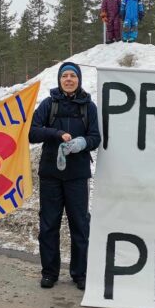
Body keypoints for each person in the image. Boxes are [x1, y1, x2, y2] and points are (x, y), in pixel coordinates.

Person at [29, 61, 101, 290]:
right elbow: (32, 132)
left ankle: (80, 273)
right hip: (51, 174)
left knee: (79, 225)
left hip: (78, 175)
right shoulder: (49, 104)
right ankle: (49, 272)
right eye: (65, 76)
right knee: (49, 224)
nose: (69, 79)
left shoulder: (88, 107)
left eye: (73, 76)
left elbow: (96, 137)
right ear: (59, 80)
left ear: (79, 80)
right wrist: (57, 134)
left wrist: (82, 143)